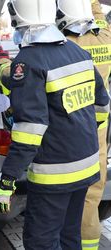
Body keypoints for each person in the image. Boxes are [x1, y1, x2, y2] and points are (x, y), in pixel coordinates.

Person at [0, 1, 109, 250]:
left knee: (40, 242)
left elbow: (29, 131)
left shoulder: (29, 61)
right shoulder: (79, 54)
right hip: (86, 166)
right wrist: (74, 131)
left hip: (54, 174)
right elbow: (101, 107)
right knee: (69, 237)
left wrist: (7, 181)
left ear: (17, 17)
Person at [56, 1, 111, 249]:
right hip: (100, 126)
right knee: (92, 196)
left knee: (73, 196)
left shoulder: (68, 45)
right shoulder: (106, 35)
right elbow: (97, 14)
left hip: (73, 127)